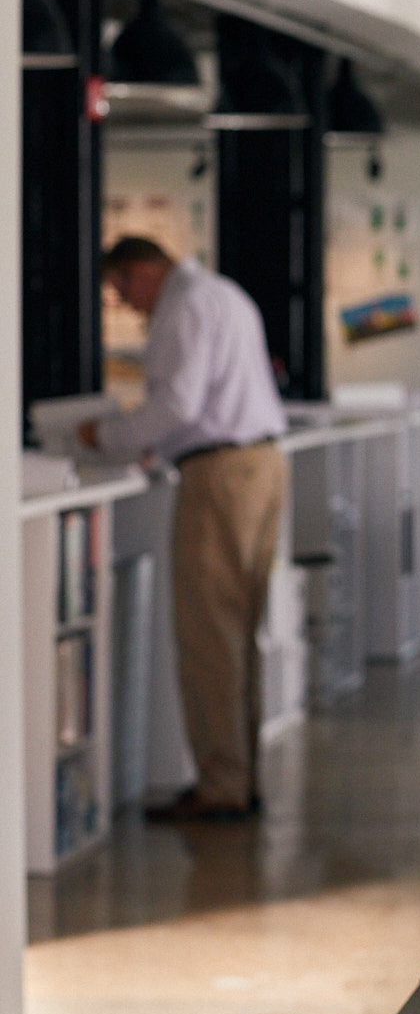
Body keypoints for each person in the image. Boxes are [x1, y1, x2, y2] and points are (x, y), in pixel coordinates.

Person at [81, 237, 289, 821]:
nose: (129, 306)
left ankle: (221, 787)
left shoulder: (183, 304)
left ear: (142, 270)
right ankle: (239, 779)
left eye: (123, 291)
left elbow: (177, 403)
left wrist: (106, 436)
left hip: (220, 475)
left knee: (209, 635)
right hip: (259, 465)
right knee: (238, 632)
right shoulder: (223, 293)